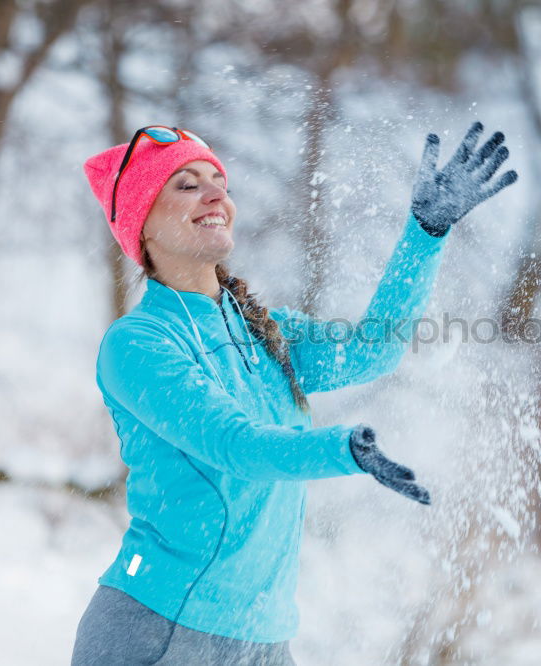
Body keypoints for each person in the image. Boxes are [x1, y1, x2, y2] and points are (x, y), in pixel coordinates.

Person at [70, 121, 517, 665]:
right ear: (143, 224)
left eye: (219, 181)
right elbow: (236, 446)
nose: (216, 194)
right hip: (162, 629)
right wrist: (342, 449)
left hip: (264, 638)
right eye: (186, 184)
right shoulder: (138, 344)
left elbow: (370, 350)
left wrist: (425, 234)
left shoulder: (264, 331)